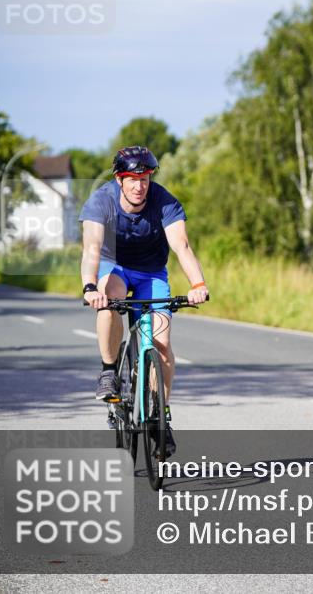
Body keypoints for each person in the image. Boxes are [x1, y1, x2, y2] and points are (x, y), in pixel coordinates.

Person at [80, 146, 209, 456]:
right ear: (119, 179)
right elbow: (92, 249)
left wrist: (198, 284)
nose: (140, 186)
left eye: (145, 179)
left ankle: (160, 417)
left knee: (161, 346)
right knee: (109, 300)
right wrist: (89, 287)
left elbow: (182, 245)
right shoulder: (102, 200)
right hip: (116, 268)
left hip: (152, 273)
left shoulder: (164, 201)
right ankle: (109, 370)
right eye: (132, 179)